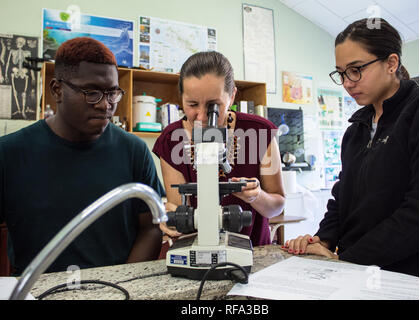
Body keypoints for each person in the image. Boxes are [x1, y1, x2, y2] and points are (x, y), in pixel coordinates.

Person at [283, 18, 419, 284]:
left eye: (356, 69)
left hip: (415, 277)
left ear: (391, 63)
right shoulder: (356, 129)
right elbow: (342, 198)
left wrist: (349, 260)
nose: (348, 82)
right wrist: (323, 239)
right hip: (358, 272)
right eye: (341, 73)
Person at [0, 37, 165, 275]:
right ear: (57, 90)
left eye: (112, 93)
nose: (105, 105)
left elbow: (150, 227)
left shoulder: (134, 152)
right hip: (35, 290)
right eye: (92, 93)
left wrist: (123, 283)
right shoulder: (10, 153)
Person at [153, 51, 285, 247]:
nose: (202, 116)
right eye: (192, 104)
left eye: (213, 105)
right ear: (181, 97)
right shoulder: (170, 140)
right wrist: (174, 220)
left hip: (254, 251)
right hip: (199, 249)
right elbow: (181, 212)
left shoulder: (260, 132)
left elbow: (277, 207)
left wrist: (257, 196)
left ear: (231, 96)